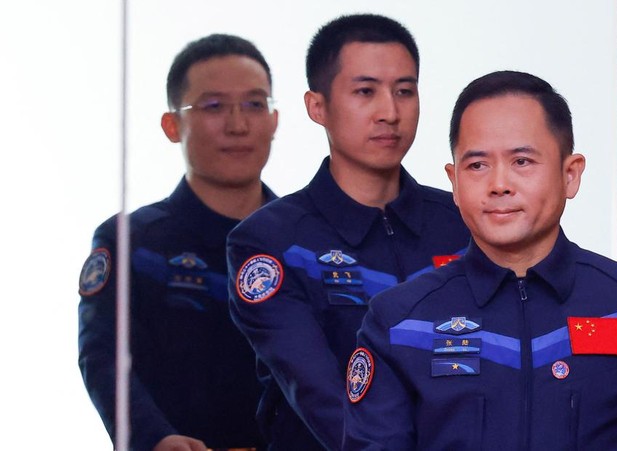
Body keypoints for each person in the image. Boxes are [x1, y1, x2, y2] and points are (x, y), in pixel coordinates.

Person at [343, 70, 617, 450]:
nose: (499, 184)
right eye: (477, 165)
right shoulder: (399, 321)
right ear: (455, 184)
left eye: (522, 162)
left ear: (570, 174)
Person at [227, 13, 470, 450]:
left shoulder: (464, 220)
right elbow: (323, 397)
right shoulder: (271, 242)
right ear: (317, 106)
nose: (390, 113)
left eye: (404, 91)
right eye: (365, 91)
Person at [78, 33, 279, 451]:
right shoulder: (131, 242)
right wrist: (155, 438)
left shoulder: (309, 244)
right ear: (173, 126)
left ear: (275, 121)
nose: (238, 125)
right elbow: (105, 358)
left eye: (254, 104)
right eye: (213, 106)